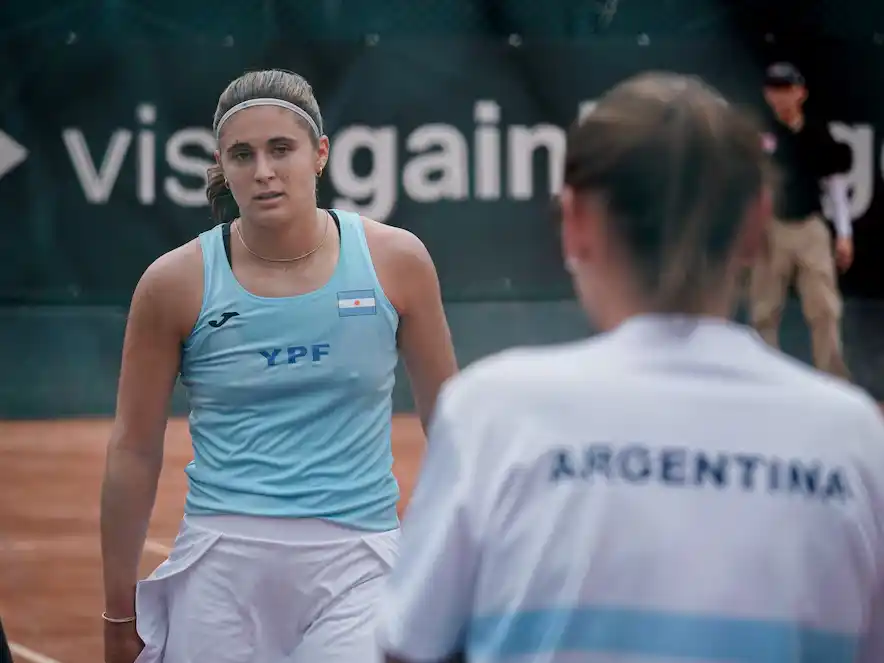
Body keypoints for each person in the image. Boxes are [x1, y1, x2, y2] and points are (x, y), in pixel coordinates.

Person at [377, 72, 884, 663]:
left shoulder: (490, 412)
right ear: (755, 227)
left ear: (574, 222)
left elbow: (410, 647)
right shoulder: (853, 438)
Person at [100, 68, 458, 663]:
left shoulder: (397, 261)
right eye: (242, 154)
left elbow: (452, 427)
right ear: (221, 163)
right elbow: (134, 449)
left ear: (320, 154)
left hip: (360, 566)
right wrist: (118, 612)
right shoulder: (174, 283)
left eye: (281, 149)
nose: (263, 171)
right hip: (219, 564)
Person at [751, 61, 854, 379]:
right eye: (774, 90)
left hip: (809, 226)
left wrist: (844, 234)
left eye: (787, 89)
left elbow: (835, 186)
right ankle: (763, 380)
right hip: (772, 227)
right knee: (764, 310)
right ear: (767, 95)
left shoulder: (818, 133)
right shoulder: (760, 133)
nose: (780, 97)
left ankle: (833, 381)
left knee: (824, 309)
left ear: (801, 93)